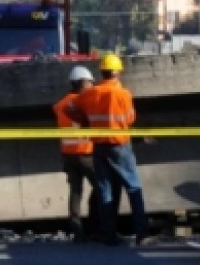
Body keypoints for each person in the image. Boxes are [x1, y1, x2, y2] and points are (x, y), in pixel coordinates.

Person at [73, 53, 152, 246]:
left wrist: (85, 122)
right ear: (116, 72)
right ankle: (142, 233)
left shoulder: (90, 93)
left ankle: (109, 234)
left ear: (102, 72)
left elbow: (71, 109)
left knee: (104, 190)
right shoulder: (123, 94)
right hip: (119, 145)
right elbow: (130, 119)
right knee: (133, 187)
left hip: (99, 146)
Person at [53, 65, 98, 242]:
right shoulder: (83, 102)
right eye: (89, 82)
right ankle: (96, 227)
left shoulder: (61, 104)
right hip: (85, 153)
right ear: (81, 83)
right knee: (102, 187)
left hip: (68, 154)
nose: (92, 85)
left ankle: (77, 230)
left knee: (76, 192)